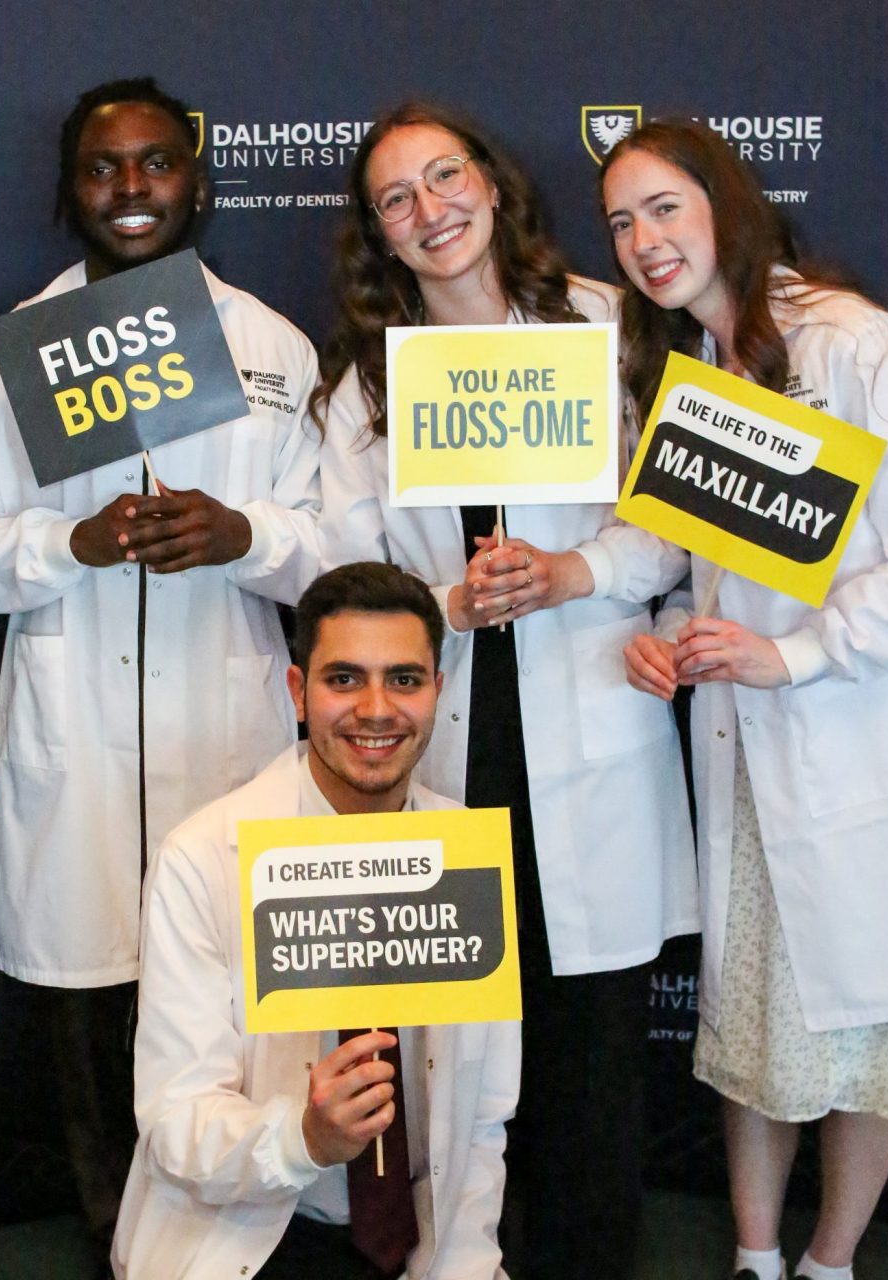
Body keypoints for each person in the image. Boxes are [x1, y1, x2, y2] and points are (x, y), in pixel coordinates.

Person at [311, 102, 698, 1280]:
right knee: (456, 1066)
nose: (429, 212)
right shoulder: (366, 391)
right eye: (396, 199)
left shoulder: (603, 325)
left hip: (591, 730)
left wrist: (575, 568)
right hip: (448, 748)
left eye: (444, 178)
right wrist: (445, 601)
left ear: (490, 183)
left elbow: (681, 518)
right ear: (378, 233)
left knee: (589, 1067)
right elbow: (340, 571)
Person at [0, 77, 321, 1250]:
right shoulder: (10, 358)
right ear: (71, 191)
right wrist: (77, 540)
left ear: (195, 178)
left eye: (155, 163)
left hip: (229, 726)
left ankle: (248, 1238)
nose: (131, 189)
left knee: (240, 1000)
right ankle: (125, 1242)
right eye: (104, 168)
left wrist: (240, 533)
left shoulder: (270, 345)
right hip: (81, 736)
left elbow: (327, 544)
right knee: (91, 1018)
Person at [604, 119, 888, 1280]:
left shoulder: (857, 346)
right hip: (741, 756)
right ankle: (752, 1255)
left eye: (663, 208)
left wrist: (797, 656)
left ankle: (830, 1259)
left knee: (864, 1024)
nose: (642, 242)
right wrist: (661, 639)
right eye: (621, 224)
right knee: (749, 1029)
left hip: (855, 745)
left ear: (723, 202)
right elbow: (693, 569)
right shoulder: (692, 376)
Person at [113, 560, 520, 1279]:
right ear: (299, 692)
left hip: (422, 1236)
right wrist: (304, 1138)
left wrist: (464, 1263)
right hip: (263, 1227)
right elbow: (176, 1120)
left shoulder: (468, 854)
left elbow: (483, 1119)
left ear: (438, 692)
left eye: (404, 679)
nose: (375, 709)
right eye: (344, 679)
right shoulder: (203, 857)